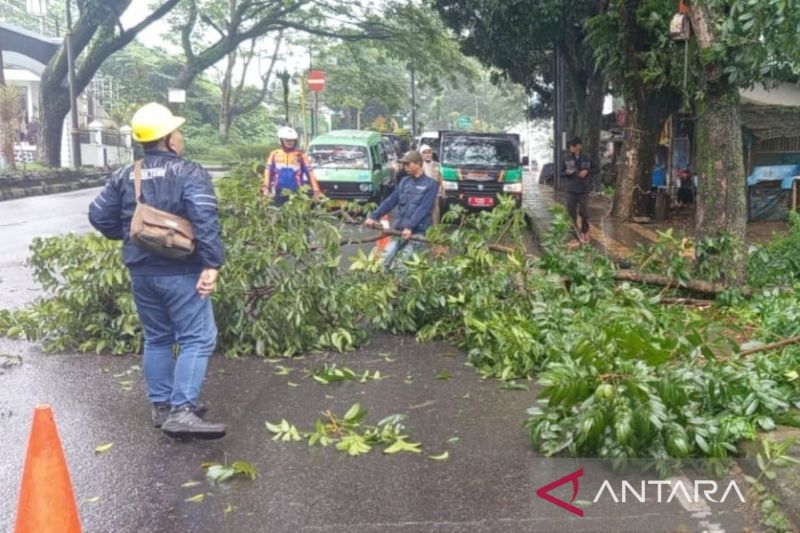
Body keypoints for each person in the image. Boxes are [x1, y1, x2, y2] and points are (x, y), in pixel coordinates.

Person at [88, 102, 227, 439]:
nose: (180, 136)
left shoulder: (126, 174)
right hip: (182, 270)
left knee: (158, 337)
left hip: (142, 271)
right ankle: (183, 411)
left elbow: (98, 216)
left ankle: (162, 407)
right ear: (167, 139)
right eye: (177, 131)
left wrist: (134, 237)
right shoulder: (189, 172)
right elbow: (204, 219)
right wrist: (211, 264)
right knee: (198, 337)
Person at [365, 150, 438, 272]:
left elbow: (423, 208)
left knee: (401, 265)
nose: (405, 167)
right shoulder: (404, 181)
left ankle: (400, 284)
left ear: (418, 163)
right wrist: (373, 217)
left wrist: (410, 227)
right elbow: (391, 201)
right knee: (384, 261)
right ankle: (386, 282)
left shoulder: (431, 185)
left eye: (408, 164)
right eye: (404, 164)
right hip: (399, 230)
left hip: (418, 233)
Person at [264, 126, 321, 206]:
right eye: (287, 140)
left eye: (292, 140)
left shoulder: (301, 155)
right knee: (279, 212)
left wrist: (316, 189)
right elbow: (268, 172)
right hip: (279, 191)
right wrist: (266, 188)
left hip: (296, 191)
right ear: (281, 140)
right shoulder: (274, 154)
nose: (290, 142)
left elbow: (310, 173)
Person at [562, 136, 593, 244]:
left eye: (574, 146)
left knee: (584, 212)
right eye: (571, 146)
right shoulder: (566, 158)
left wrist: (587, 171)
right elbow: (560, 172)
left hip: (584, 189)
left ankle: (585, 231)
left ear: (579, 146)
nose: (572, 148)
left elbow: (596, 169)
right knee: (571, 214)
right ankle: (574, 235)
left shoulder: (587, 157)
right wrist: (566, 172)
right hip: (571, 190)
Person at [419, 144, 445, 223]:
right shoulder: (419, 165)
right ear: (421, 154)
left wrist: (443, 189)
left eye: (429, 152)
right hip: (422, 192)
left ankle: (435, 228)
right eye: (425, 153)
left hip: (434, 192)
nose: (427, 154)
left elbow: (440, 177)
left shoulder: (437, 165)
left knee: (435, 211)